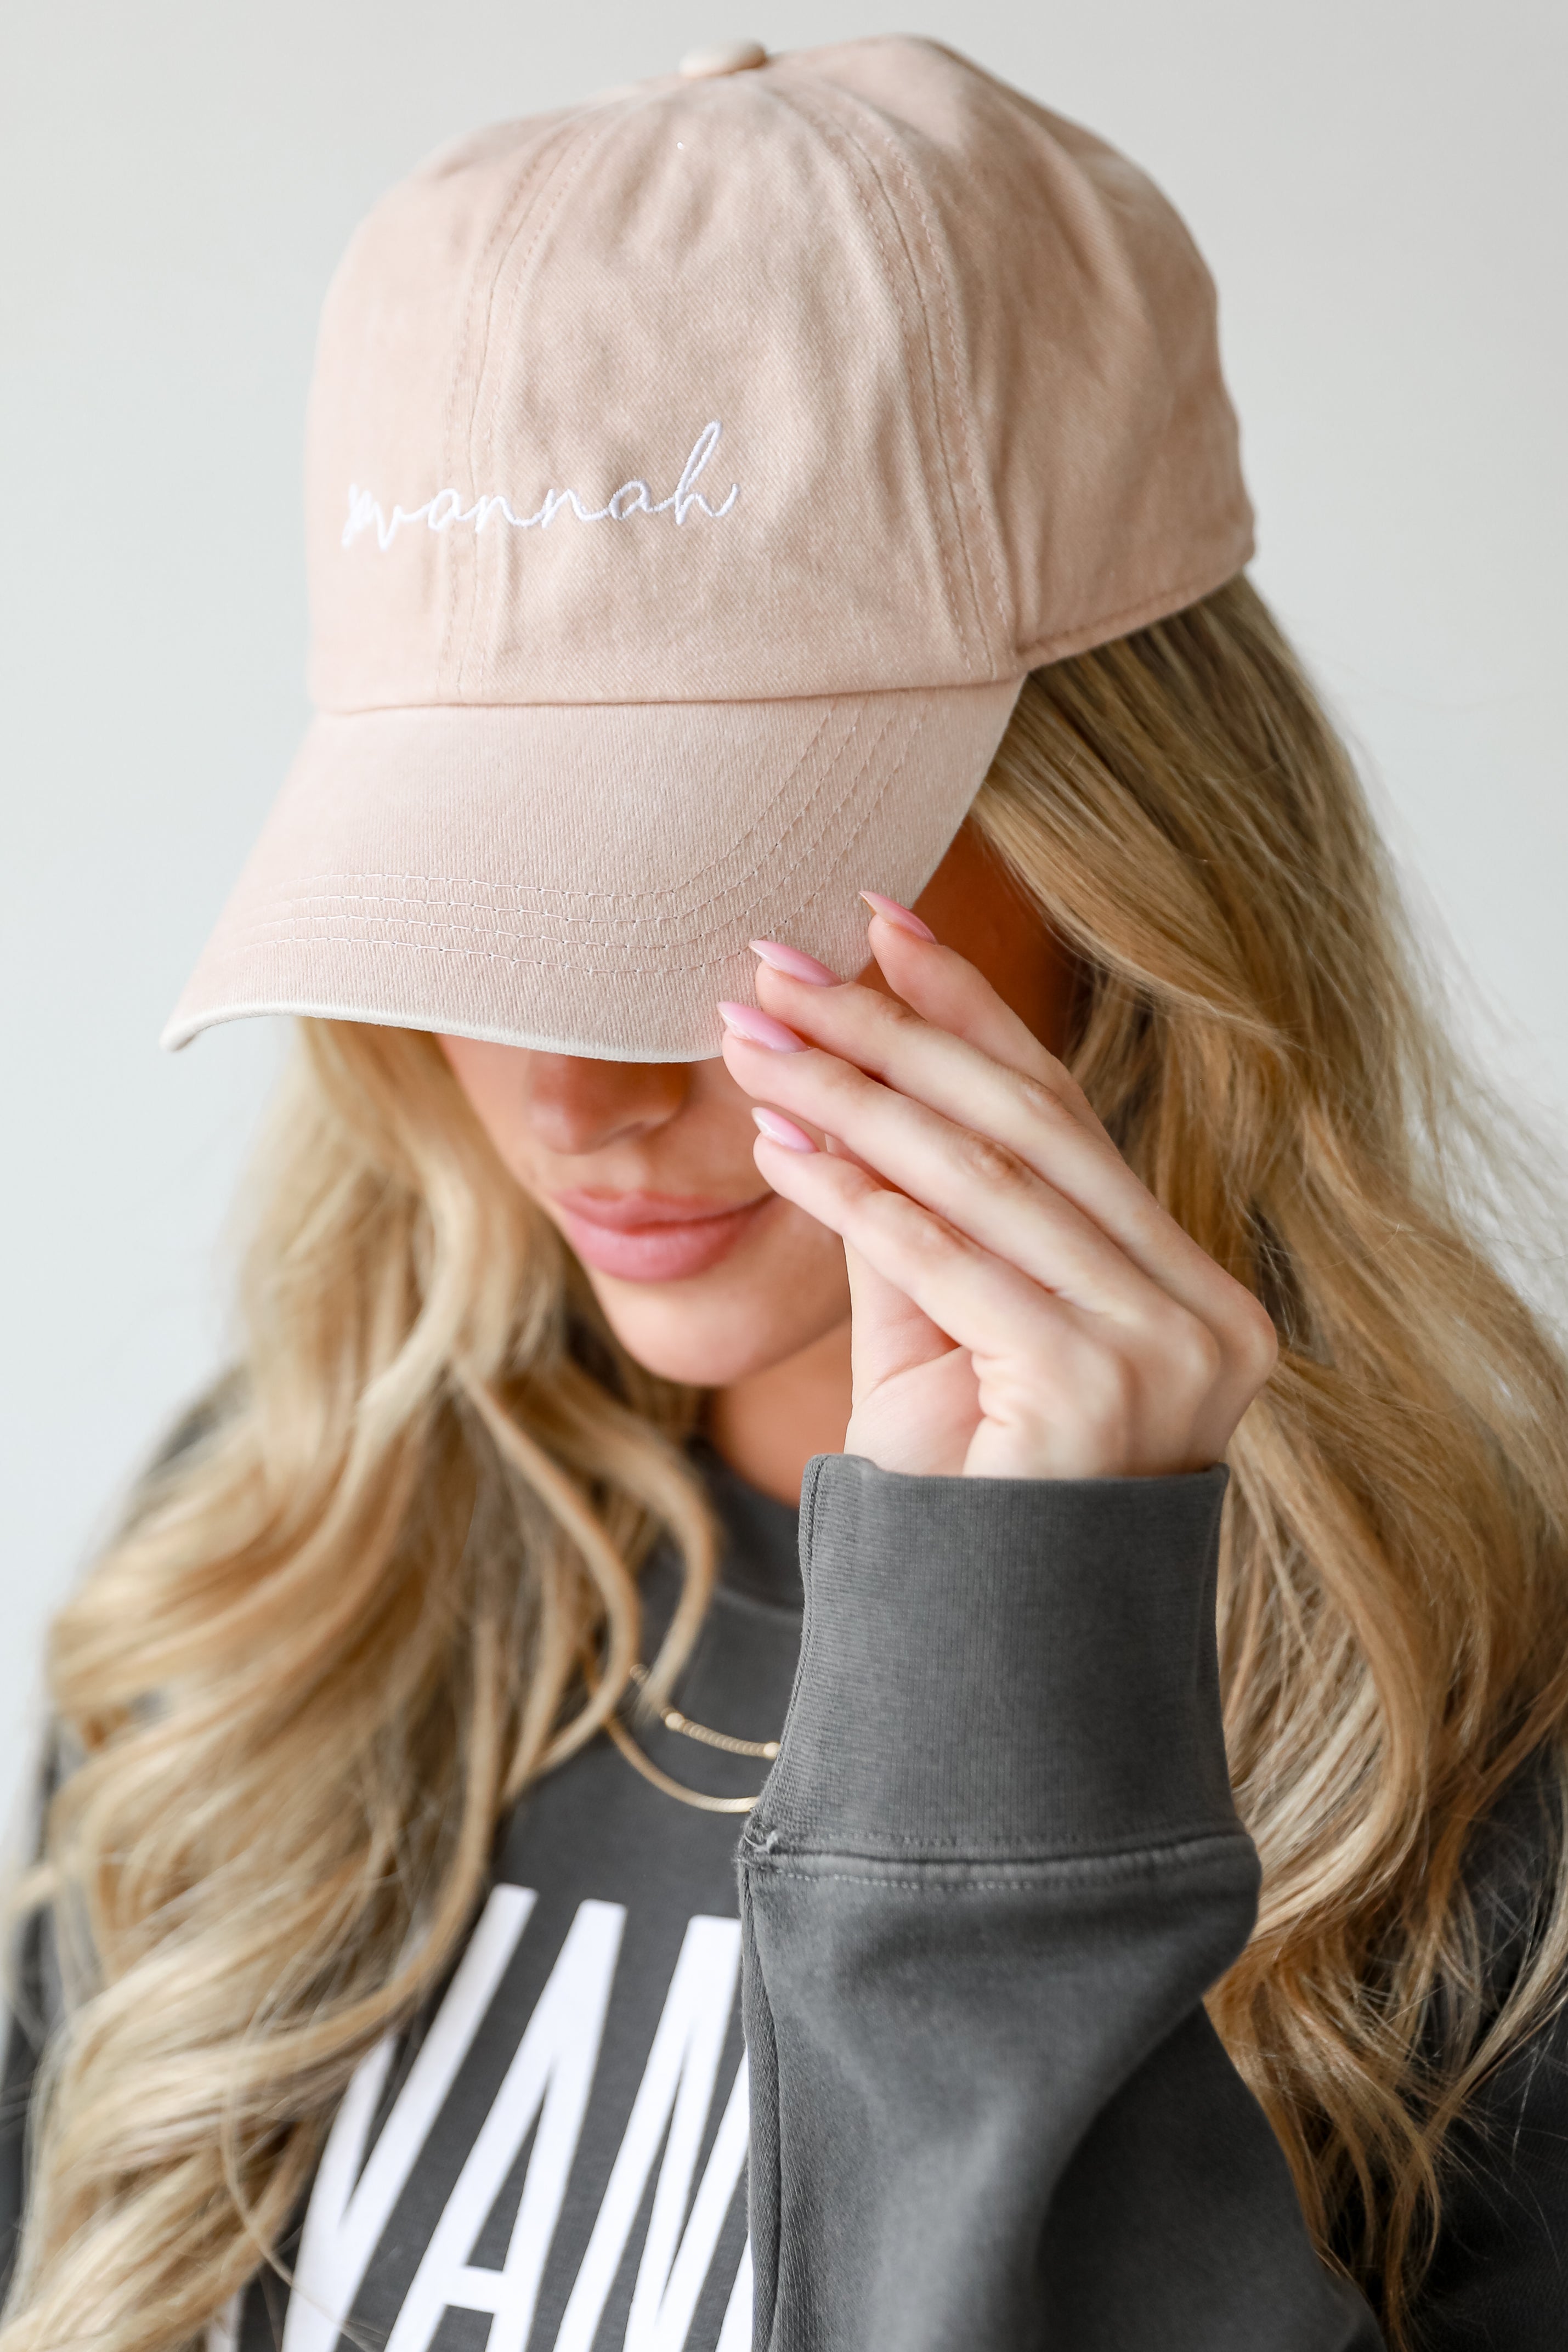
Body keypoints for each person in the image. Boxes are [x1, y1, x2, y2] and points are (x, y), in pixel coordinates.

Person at [3, 31, 1566, 2352]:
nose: (559, 1086)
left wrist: (1020, 1687)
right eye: (462, 905)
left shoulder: (1485, 1738)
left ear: (1130, 852)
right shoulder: (284, 1565)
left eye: (684, 910)